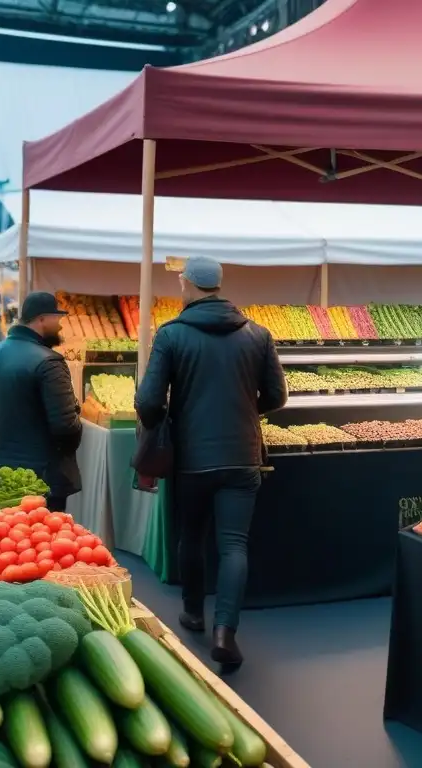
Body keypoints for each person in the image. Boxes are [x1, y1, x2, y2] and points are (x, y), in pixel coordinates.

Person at [135, 256, 287, 670]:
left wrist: (164, 423)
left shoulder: (171, 335)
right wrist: (243, 410)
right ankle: (226, 632)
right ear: (219, 285)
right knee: (234, 544)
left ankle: (192, 612)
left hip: (192, 457)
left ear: (186, 284)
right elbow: (276, 397)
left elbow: (148, 400)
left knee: (192, 536)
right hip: (242, 456)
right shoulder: (258, 333)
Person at [0, 292, 81, 511]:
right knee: (41, 540)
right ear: (41, 319)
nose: (60, 325)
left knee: (4, 540)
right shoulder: (49, 361)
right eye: (56, 318)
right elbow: (66, 427)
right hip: (41, 477)